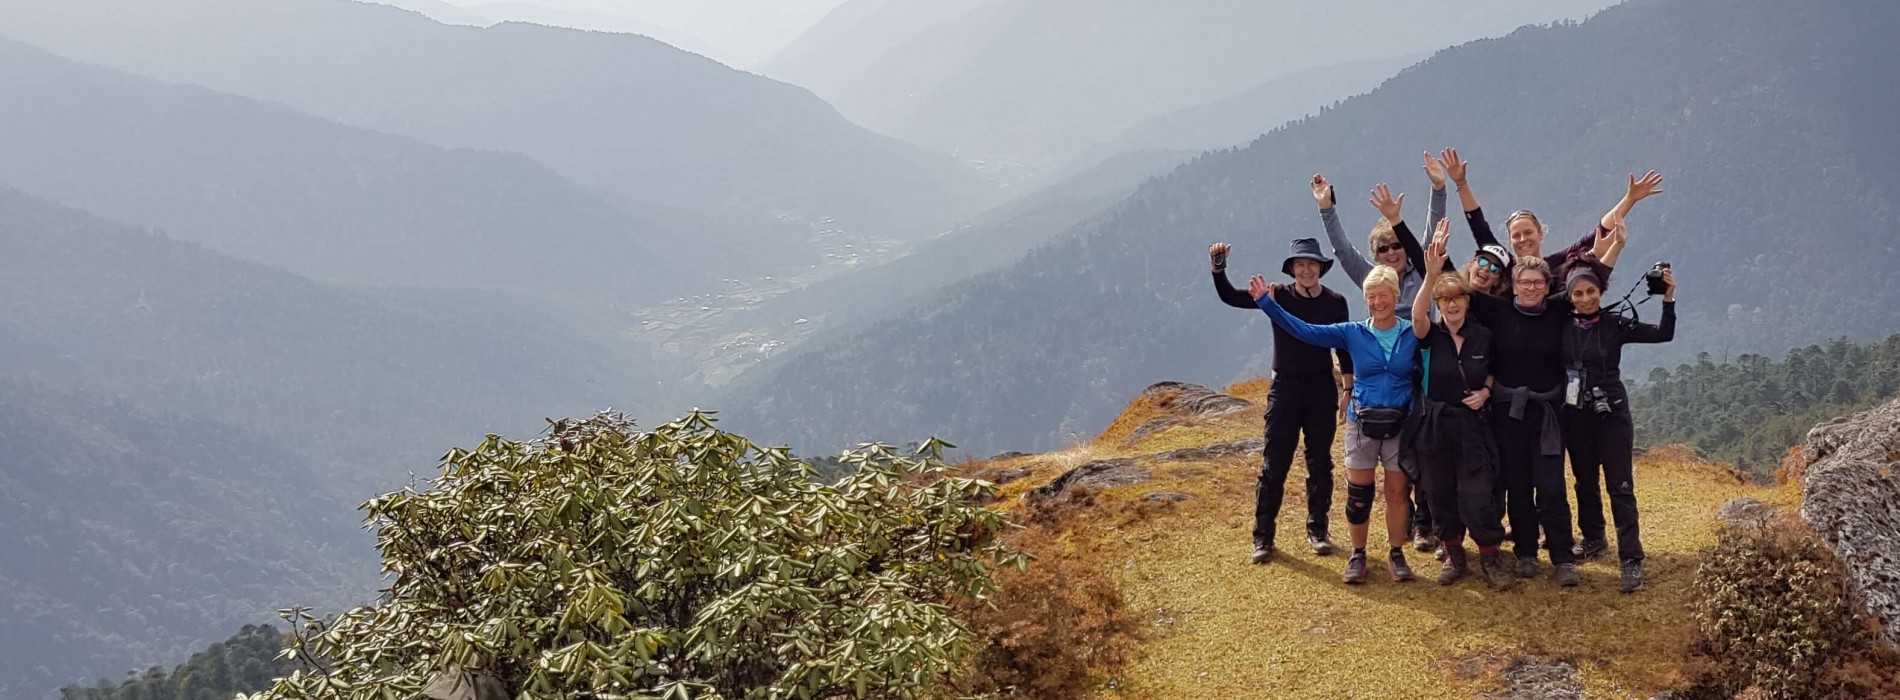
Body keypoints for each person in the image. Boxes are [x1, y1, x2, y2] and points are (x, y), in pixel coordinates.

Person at [1454, 218, 1625, 586]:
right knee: (1517, 483)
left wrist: (1617, 245)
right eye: (1523, 282)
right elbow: (1452, 286)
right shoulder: (1498, 311)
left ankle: (1562, 556)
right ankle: (1526, 552)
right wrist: (1426, 253)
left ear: (1548, 286)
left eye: (1537, 283)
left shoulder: (1557, 310)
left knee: (1550, 485)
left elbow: (1593, 276)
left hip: (1549, 412)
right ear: (1512, 286)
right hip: (1508, 412)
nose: (1530, 288)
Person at [1249, 265, 1418, 584]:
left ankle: (1397, 553)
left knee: (1397, 493)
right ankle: (1358, 555)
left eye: (1384, 295)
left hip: (1401, 424)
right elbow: (1305, 331)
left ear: (1396, 296)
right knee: (1359, 494)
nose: (1378, 302)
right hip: (1361, 423)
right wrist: (1268, 305)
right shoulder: (1352, 331)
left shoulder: (1414, 333)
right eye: (1371, 296)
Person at [1209, 240, 1353, 563]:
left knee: (1320, 462)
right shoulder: (1277, 296)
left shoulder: (1335, 302)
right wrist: (1218, 268)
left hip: (1320, 389)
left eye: (1311, 264)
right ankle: (1263, 537)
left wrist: (1348, 389)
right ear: (1291, 269)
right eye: (1300, 265)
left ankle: (1318, 531)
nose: (1306, 270)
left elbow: (1344, 345)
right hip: (1285, 389)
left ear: (1320, 268)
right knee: (1275, 464)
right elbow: (1231, 296)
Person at [1317, 179, 1438, 552]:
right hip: (1384, 377)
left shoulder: (1422, 273)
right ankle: (1407, 530)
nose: (1390, 253)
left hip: (1423, 368)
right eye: (1382, 249)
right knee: (1399, 453)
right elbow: (1342, 250)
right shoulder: (1371, 280)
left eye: (1396, 246)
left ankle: (1424, 523)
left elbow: (1434, 233)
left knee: (1422, 448)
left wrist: (1438, 189)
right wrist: (1327, 208)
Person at [1561, 263, 1676, 593]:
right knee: (1584, 481)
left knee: (1620, 485)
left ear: (1600, 292)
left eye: (1591, 291)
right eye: (1578, 293)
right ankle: (1594, 537)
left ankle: (1630, 559)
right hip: (1574, 413)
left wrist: (1668, 298)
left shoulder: (1614, 323)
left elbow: (1662, 334)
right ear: (1568, 296)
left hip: (1612, 413)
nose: (1585, 299)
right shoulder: (1559, 325)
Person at [1412, 229, 1514, 590]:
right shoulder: (1430, 335)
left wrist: (1486, 391)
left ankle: (1490, 556)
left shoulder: (1483, 336)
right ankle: (1454, 556)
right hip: (1436, 425)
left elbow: (1494, 370)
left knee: (1476, 493)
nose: (1452, 306)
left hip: (1472, 425)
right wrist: (1431, 276)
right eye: (1445, 300)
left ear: (1467, 302)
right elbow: (1416, 313)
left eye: (1458, 299)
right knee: (1439, 491)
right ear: (1439, 305)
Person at [1434, 147, 1660, 295]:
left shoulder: (1557, 264)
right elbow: (1478, 225)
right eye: (1516, 235)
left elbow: (1597, 234)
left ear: (1540, 233)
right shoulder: (1504, 268)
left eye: (1528, 232)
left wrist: (1629, 200)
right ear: (1509, 240)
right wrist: (1461, 184)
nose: (1523, 239)